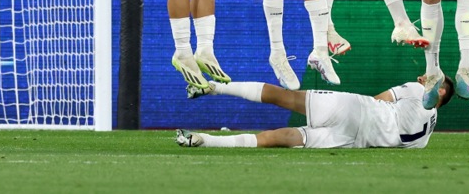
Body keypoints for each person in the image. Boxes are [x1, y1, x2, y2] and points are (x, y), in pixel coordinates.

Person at [175, 75, 454, 149]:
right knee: (279, 138)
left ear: (440, 92)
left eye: (431, 78)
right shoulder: (425, 138)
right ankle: (205, 140)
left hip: (355, 109)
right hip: (350, 141)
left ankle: (212, 88)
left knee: (283, 97)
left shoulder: (418, 91)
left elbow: (378, 99)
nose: (423, 78)